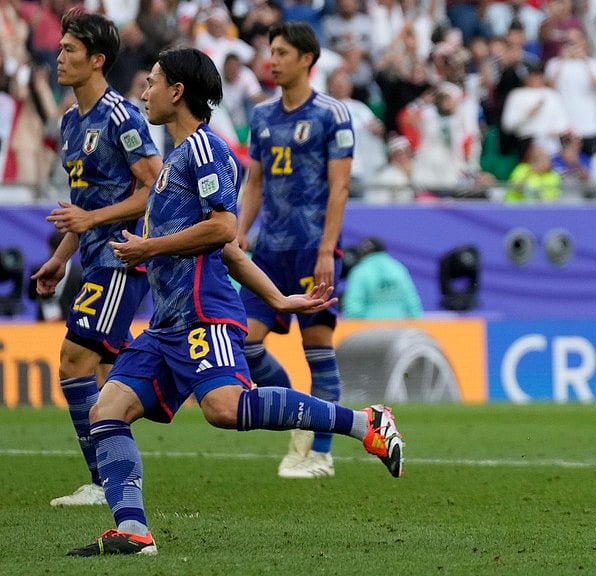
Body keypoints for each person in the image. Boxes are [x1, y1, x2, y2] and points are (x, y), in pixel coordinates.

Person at [67, 47, 403, 557]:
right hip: (168, 323)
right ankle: (133, 529)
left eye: (153, 82)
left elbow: (224, 227)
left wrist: (147, 246)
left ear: (178, 92)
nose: (144, 91)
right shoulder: (173, 163)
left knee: (224, 410)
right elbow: (231, 248)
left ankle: (365, 423)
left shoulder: (208, 149)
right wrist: (277, 298)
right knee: (107, 411)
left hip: (204, 309)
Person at [30, 10, 162, 508]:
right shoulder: (69, 120)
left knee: (72, 361)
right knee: (108, 374)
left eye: (69, 50)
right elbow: (81, 204)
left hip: (122, 257)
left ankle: (101, 482)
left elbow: (154, 186)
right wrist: (62, 258)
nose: (59, 57)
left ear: (97, 59)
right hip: (92, 257)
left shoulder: (121, 116)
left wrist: (90, 223)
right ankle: (112, 471)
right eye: (60, 48)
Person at [236, 22, 353, 479]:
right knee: (242, 343)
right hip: (269, 252)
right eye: (271, 51)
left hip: (313, 249)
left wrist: (327, 249)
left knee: (317, 348)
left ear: (307, 59)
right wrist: (240, 231)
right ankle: (297, 418)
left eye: (282, 52)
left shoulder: (331, 114)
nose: (273, 59)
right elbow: (256, 180)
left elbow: (339, 187)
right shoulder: (262, 116)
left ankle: (320, 454)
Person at [343, 236, 423, 319]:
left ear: (362, 254)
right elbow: (412, 302)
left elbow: (354, 308)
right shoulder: (398, 268)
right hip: (399, 327)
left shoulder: (360, 271)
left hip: (369, 328)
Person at [28, 231, 83, 322]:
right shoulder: (79, 272)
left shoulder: (38, 269)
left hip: (45, 325)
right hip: (69, 323)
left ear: (49, 246)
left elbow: (31, 296)